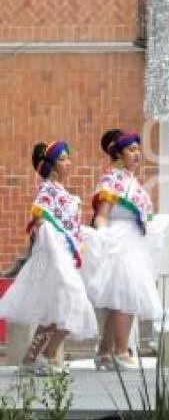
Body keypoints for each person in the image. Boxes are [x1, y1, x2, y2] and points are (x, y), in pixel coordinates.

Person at [0, 141, 98, 375]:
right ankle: (41, 357)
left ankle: (35, 359)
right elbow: (40, 219)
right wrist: (51, 244)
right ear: (52, 166)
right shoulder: (47, 190)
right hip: (53, 258)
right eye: (64, 159)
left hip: (67, 257)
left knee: (62, 310)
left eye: (68, 158)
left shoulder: (63, 193)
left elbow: (71, 227)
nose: (69, 163)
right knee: (67, 306)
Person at [87, 129, 169, 370]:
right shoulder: (112, 179)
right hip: (119, 241)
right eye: (131, 149)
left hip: (133, 241)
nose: (137, 154)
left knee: (122, 297)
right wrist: (103, 236)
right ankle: (121, 352)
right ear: (119, 154)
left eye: (138, 149)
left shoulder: (130, 180)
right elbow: (102, 215)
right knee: (126, 294)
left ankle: (105, 352)